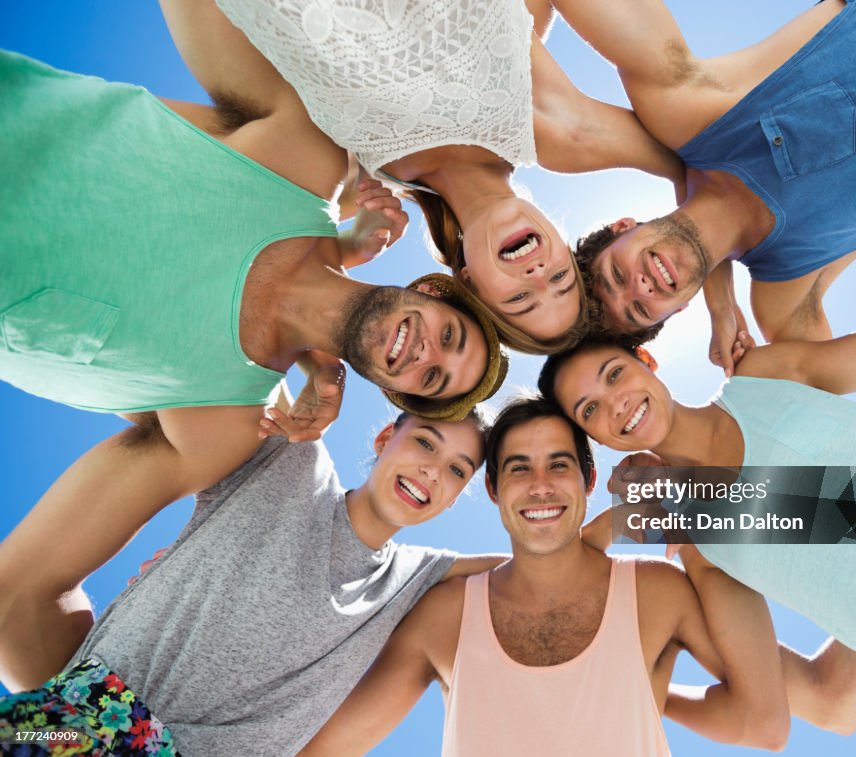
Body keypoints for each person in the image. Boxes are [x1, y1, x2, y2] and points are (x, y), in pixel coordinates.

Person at [0, 0, 508, 699]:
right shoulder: (303, 156)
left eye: (433, 379)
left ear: (398, 394)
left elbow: (16, 602)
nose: (425, 351)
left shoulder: (222, 427)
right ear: (431, 294)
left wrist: (114, 731)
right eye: (449, 336)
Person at [540, 223, 856, 755]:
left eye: (613, 375)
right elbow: (828, 702)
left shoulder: (765, 380)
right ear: (594, 439)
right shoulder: (699, 543)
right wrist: (643, 681)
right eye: (590, 412)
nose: (615, 405)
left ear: (646, 361)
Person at [297, 396, 798, 756]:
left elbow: (766, 725)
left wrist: (686, 516)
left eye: (558, 465)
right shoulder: (442, 612)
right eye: (518, 469)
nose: (540, 486)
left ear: (589, 480)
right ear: (492, 489)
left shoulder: (657, 591)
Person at [549, 0, 856, 369]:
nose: (641, 285)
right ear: (675, 312)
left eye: (616, 275)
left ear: (622, 226)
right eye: (639, 310)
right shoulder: (786, 298)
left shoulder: (688, 110)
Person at [0, 406, 499, 756]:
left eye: (456, 470)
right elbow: (180, 399)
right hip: (89, 722)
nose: (432, 471)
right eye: (425, 442)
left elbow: (551, 568)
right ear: (385, 437)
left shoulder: (418, 575)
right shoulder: (293, 458)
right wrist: (318, 368)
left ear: (457, 497)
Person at [209, 0, 688, 352]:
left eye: (522, 298)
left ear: (470, 283)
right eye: (561, 278)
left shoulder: (363, 178)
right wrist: (717, 294)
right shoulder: (558, 134)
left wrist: (347, 225)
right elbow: (699, 168)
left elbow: (250, 272)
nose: (539, 275)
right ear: (562, 242)